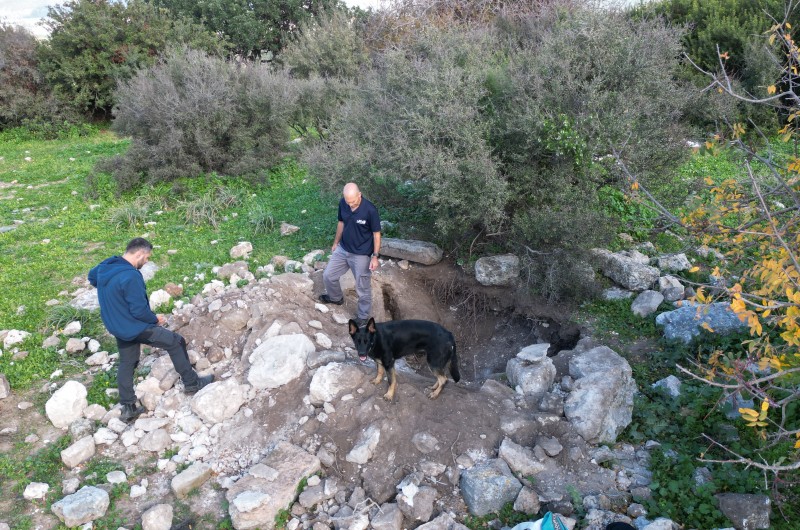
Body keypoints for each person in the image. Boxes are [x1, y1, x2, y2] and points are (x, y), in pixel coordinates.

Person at [89, 238, 214, 422]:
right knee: (175, 341)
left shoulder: (106, 266)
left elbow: (92, 278)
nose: (146, 261)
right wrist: (155, 319)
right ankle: (192, 383)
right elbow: (139, 310)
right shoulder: (131, 276)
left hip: (116, 325)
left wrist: (113, 296)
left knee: (127, 362)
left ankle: (128, 408)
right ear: (139, 254)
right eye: (146, 258)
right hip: (134, 326)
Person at [319, 182, 381, 327]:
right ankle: (335, 298)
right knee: (328, 275)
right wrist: (336, 242)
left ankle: (363, 316)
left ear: (359, 195)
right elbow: (341, 223)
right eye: (348, 201)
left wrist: (375, 256)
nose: (350, 205)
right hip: (344, 248)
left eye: (352, 202)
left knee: (362, 287)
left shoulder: (370, 210)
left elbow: (376, 234)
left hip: (361, 254)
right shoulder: (344, 203)